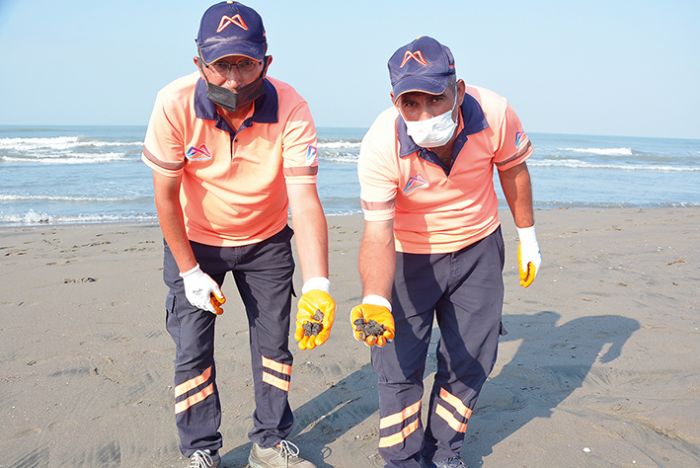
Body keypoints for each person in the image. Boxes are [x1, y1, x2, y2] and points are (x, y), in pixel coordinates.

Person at [141, 2, 335, 467]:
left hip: (266, 241)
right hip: (195, 241)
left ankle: (269, 442)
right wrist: (188, 270)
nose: (233, 79)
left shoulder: (292, 106)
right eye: (221, 65)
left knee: (274, 343)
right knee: (192, 347)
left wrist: (318, 284)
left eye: (245, 64)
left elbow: (305, 200)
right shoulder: (173, 103)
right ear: (199, 64)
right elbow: (166, 197)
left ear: (266, 62)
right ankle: (201, 449)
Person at [351, 36, 542, 468]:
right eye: (410, 104)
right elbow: (377, 233)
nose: (424, 114)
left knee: (471, 357)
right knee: (397, 365)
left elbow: (513, 169)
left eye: (435, 99)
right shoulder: (381, 144)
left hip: (478, 248)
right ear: (394, 102)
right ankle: (401, 459)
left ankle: (444, 450)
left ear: (458, 89)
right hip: (408, 256)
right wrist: (376, 298)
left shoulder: (493, 111)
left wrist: (527, 235)